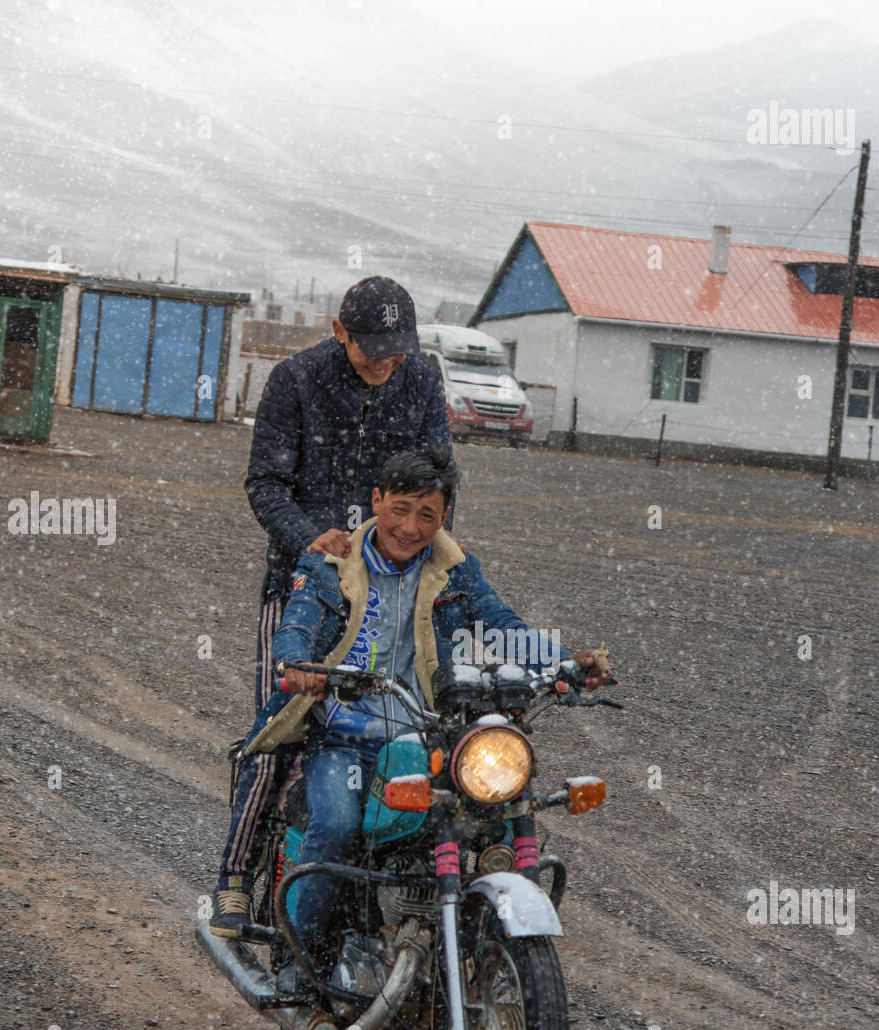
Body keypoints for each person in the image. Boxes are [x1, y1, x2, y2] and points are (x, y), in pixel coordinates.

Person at [252, 448, 608, 986]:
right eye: (400, 508)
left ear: (446, 518)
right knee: (339, 824)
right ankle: (303, 966)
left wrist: (562, 663)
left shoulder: (457, 570)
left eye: (427, 514)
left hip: (428, 736)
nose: (410, 526)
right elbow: (298, 623)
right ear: (376, 500)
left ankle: (482, 950)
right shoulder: (331, 562)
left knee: (497, 810)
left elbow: (500, 623)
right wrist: (300, 664)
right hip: (344, 739)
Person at [210, 276, 453, 936]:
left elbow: (440, 470)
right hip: (305, 589)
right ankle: (233, 874)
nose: (386, 363)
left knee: (410, 730)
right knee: (281, 731)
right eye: (372, 349)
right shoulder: (296, 379)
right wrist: (308, 539)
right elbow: (265, 483)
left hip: (393, 582)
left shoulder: (420, 378)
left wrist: (422, 543)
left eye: (397, 350)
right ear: (339, 331)